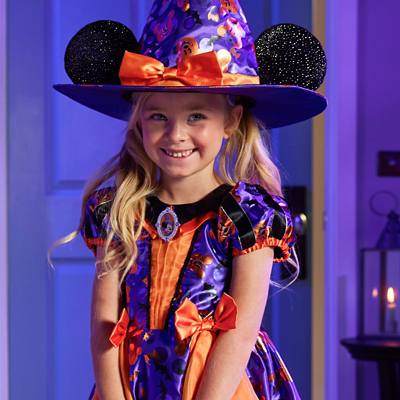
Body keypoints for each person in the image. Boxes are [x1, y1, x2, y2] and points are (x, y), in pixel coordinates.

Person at [50, 1, 327, 399]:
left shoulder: (248, 217)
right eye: (158, 116)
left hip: (220, 386)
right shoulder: (119, 210)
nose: (176, 134)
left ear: (231, 121)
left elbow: (241, 331)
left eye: (196, 116)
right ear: (138, 121)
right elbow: (103, 322)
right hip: (133, 385)